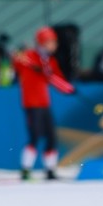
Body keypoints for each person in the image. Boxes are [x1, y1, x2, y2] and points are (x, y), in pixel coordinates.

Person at [13, 26, 75, 181]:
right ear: (42, 43)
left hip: (44, 103)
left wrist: (68, 89)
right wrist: (29, 61)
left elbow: (56, 79)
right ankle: (25, 170)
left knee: (51, 137)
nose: (54, 45)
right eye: (50, 42)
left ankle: (50, 170)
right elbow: (17, 59)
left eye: (54, 42)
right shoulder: (30, 56)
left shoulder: (50, 61)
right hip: (31, 103)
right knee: (34, 137)